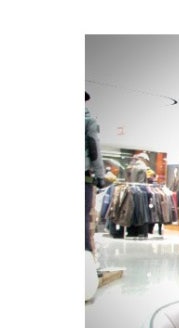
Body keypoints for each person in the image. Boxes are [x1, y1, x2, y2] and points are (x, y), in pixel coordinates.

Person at [85, 91, 106, 252]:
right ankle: (86, 256)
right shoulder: (88, 121)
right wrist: (100, 175)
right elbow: (94, 148)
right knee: (84, 218)